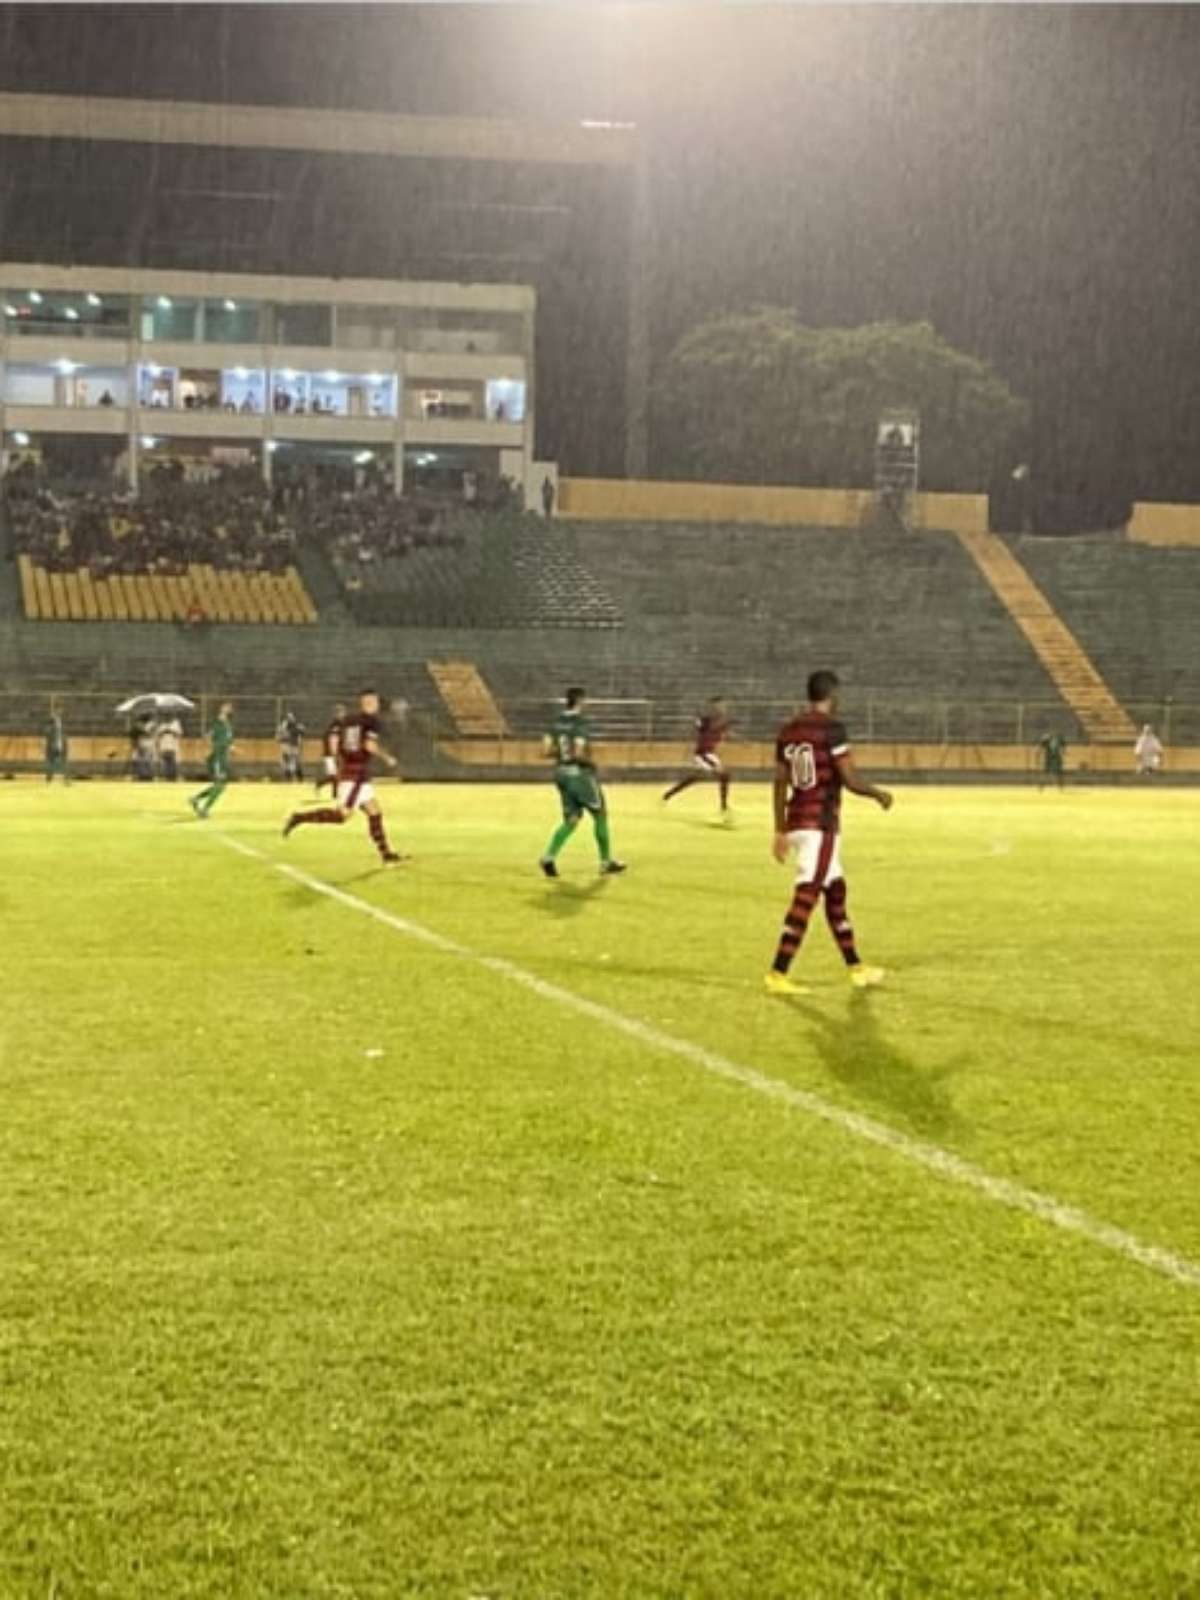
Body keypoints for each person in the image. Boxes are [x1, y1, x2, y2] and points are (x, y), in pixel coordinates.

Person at [765, 670, 892, 997]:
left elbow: (780, 782)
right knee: (807, 895)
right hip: (819, 825)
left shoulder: (789, 730)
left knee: (835, 893)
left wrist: (779, 829)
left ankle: (856, 967)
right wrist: (877, 793)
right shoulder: (832, 730)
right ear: (832, 695)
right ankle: (778, 972)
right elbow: (848, 778)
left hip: (796, 821)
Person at [283, 689, 402, 864]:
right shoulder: (372, 722)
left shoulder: (349, 720)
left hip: (352, 772)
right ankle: (299, 817)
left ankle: (386, 854)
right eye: (374, 702)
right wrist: (388, 758)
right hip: (355, 775)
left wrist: (337, 757)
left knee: (374, 811)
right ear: (368, 702)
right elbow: (369, 745)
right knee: (342, 816)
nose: (376, 705)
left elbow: (334, 739)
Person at [539, 687, 626, 879]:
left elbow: (544, 751)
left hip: (560, 773)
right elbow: (578, 752)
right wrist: (593, 764)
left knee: (571, 820)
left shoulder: (555, 723)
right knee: (600, 814)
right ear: (580, 701)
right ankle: (605, 862)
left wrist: (562, 754)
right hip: (579, 775)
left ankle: (548, 857)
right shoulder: (581, 722)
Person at [661, 696, 733, 818]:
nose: (722, 708)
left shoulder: (724, 722)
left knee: (697, 778)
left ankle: (668, 794)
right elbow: (698, 731)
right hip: (702, 754)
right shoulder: (707, 720)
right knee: (723, 774)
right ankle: (724, 808)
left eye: (723, 706)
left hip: (710, 754)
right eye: (718, 705)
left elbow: (724, 733)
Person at [189, 702, 235, 818]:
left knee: (221, 785)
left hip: (223, 758)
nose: (228, 708)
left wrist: (230, 748)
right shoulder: (217, 723)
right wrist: (209, 750)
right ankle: (204, 809)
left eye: (229, 707)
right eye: (225, 706)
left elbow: (227, 741)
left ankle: (196, 799)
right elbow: (208, 737)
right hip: (217, 758)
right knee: (220, 785)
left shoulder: (227, 725)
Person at [316, 702, 346, 794]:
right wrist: (334, 753)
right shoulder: (335, 725)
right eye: (341, 712)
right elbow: (333, 739)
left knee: (337, 775)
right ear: (336, 714)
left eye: (343, 712)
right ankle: (321, 783)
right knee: (334, 775)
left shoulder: (340, 724)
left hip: (336, 753)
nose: (343, 714)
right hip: (330, 753)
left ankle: (334, 793)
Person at [277, 710, 305, 783]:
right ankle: (289, 777)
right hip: (286, 746)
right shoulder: (283, 727)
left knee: (295, 762)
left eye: (291, 717)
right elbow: (278, 738)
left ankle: (298, 777)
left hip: (293, 746)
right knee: (286, 762)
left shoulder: (296, 726)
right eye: (288, 717)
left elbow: (301, 733)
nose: (290, 719)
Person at [44, 708, 70, 784]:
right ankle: (51, 778)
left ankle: (51, 778)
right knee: (56, 762)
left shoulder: (55, 726)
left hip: (56, 746)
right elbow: (49, 736)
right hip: (55, 746)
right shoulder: (53, 727)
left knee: (55, 762)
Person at [156, 715, 182, 782]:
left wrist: (171, 731)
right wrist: (164, 731)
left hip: (172, 746)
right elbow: (158, 734)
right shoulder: (161, 725)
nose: (167, 718)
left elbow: (179, 734)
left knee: (173, 762)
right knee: (165, 763)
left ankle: (174, 776)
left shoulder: (176, 724)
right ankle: (166, 776)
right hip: (164, 746)